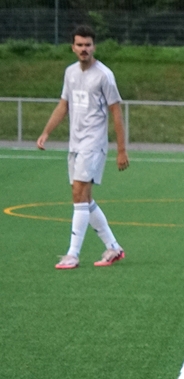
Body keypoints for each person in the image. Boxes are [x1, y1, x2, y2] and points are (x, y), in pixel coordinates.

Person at [36, 25, 129, 270]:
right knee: (84, 198)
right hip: (75, 143)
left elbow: (116, 112)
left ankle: (73, 254)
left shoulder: (104, 75)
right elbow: (63, 105)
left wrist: (121, 149)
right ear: (73, 47)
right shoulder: (70, 73)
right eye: (79, 45)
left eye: (88, 45)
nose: (84, 49)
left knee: (79, 194)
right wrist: (46, 132)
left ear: (94, 47)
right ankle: (113, 247)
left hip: (93, 143)